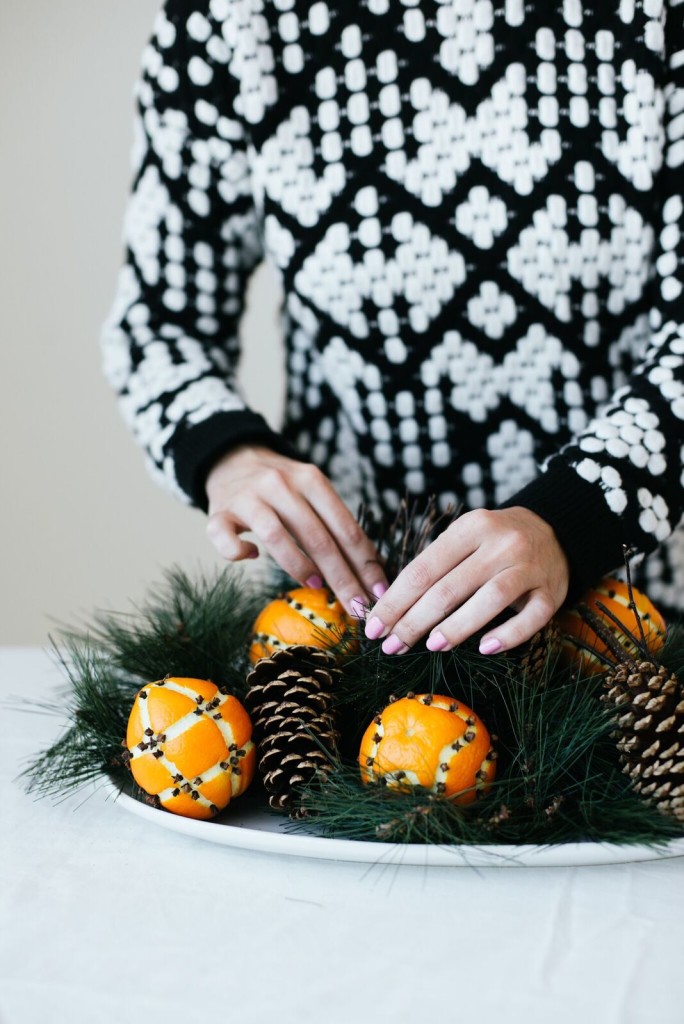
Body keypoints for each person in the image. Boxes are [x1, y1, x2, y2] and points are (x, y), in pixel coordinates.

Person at [102, 0, 684, 658]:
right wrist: (229, 455)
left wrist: (569, 521)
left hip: (628, 636)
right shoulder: (233, 21)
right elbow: (158, 326)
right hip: (339, 653)